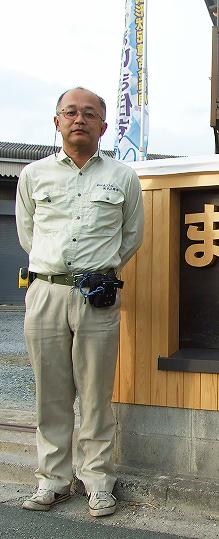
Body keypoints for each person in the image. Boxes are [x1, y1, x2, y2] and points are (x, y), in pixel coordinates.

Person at [15, 87, 144, 517]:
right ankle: (52, 480)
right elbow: (27, 233)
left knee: (95, 395)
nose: (79, 119)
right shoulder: (33, 175)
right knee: (50, 395)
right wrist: (58, 273)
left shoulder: (123, 176)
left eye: (90, 114)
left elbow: (131, 238)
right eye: (70, 112)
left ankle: (97, 481)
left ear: (103, 126)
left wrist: (97, 271)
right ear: (56, 122)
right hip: (46, 292)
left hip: (98, 296)